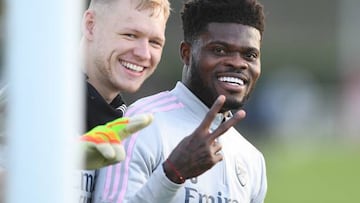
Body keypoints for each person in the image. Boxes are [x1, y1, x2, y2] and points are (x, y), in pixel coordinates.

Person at [92, 0, 267, 202]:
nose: (238, 63)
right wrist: (172, 174)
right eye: (219, 50)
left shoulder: (252, 159)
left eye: (250, 55)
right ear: (186, 53)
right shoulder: (140, 123)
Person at [76, 0, 171, 202]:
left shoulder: (127, 123)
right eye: (130, 35)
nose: (143, 54)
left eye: (155, 42)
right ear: (90, 25)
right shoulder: (35, 102)